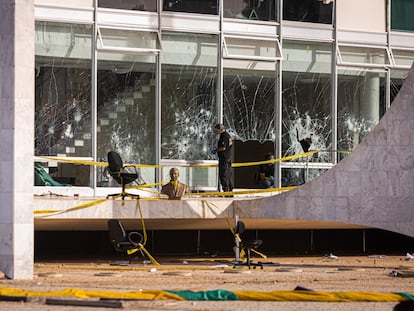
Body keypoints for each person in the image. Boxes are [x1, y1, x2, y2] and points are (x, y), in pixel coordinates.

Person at [213, 123, 233, 194]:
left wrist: (216, 150)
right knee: (228, 175)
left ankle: (226, 191)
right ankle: (230, 191)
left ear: (220, 129)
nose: (216, 132)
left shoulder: (224, 136)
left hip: (224, 159)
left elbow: (223, 147)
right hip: (228, 158)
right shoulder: (228, 135)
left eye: (216, 130)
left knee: (223, 175)